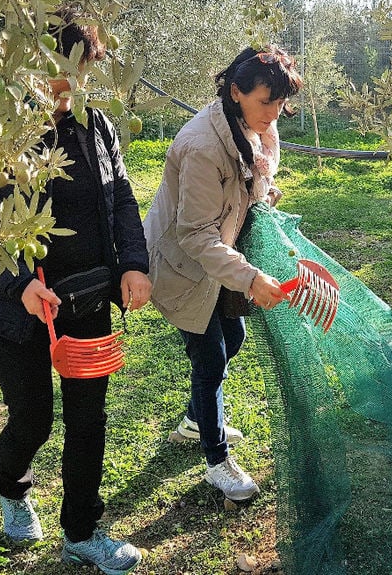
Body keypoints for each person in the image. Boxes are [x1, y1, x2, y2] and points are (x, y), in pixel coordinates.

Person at [0, 7, 150, 575]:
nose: (68, 88)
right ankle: (13, 491)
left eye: (80, 74)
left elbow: (120, 201)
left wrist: (133, 264)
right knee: (34, 417)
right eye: (56, 73)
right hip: (12, 308)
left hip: (85, 299)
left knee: (89, 419)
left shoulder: (97, 126)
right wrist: (17, 286)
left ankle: (82, 530)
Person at [143, 45, 301, 501]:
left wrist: (261, 199)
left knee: (233, 340)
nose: (273, 114)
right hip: (182, 264)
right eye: (264, 102)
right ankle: (216, 461)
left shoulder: (253, 130)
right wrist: (250, 278)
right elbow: (194, 234)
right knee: (210, 355)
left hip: (217, 258)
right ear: (236, 92)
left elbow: (246, 189)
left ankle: (196, 419)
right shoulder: (202, 146)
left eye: (279, 103)